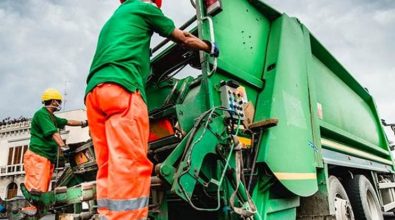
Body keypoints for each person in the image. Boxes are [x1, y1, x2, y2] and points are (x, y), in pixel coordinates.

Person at [85, 0, 219, 219]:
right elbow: (183, 38)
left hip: (94, 95)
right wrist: (209, 47)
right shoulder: (145, 8)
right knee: (131, 162)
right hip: (123, 88)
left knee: (108, 165)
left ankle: (107, 215)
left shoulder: (116, 18)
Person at [21, 88, 88, 215]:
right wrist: (64, 147)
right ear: (52, 101)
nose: (59, 103)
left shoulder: (51, 116)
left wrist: (84, 123)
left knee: (43, 184)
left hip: (46, 156)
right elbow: (53, 133)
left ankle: (39, 208)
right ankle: (32, 208)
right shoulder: (42, 114)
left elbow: (68, 122)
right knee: (36, 183)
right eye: (58, 101)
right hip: (37, 154)